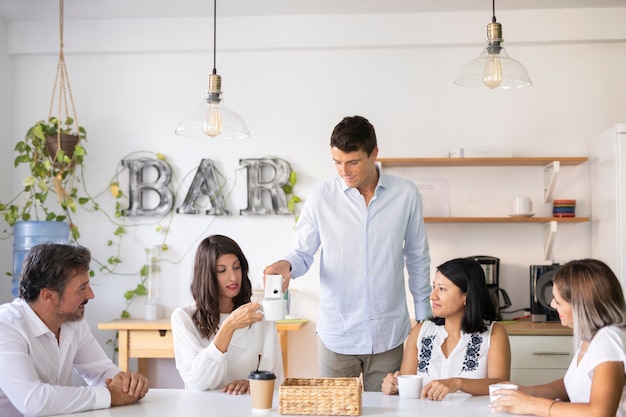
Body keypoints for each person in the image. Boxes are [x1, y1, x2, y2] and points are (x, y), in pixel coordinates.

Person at [263, 115, 431, 392]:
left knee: (390, 411)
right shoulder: (321, 197)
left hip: (389, 333)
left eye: (352, 162)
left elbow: (416, 255)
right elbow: (302, 253)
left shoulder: (406, 194)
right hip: (337, 335)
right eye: (337, 162)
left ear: (374, 153)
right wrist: (285, 264)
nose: (344, 171)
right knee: (336, 411)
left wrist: (423, 315)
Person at [0, 243, 149, 417]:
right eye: (82, 288)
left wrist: (128, 385)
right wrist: (110, 395)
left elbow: (101, 372)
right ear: (49, 296)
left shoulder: (71, 321)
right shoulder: (5, 326)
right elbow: (33, 402)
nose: (90, 295)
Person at [491, 258, 626, 417]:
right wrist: (526, 391)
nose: (552, 304)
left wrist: (532, 405)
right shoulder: (591, 337)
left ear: (580, 305)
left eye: (558, 301)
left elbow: (600, 413)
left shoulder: (608, 339)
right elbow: (569, 386)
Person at [382, 257, 511, 400]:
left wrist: (457, 383)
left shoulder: (494, 333)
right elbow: (407, 386)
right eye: (434, 287)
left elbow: (500, 384)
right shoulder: (420, 331)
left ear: (466, 296)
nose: (432, 296)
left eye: (442, 289)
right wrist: (394, 386)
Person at [171, 234, 284, 394]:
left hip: (246, 407)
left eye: (236, 267)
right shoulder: (183, 318)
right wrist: (229, 326)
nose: (233, 277)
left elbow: (275, 378)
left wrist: (252, 384)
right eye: (222, 270)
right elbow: (199, 380)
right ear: (207, 275)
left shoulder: (259, 315)